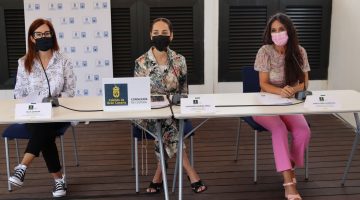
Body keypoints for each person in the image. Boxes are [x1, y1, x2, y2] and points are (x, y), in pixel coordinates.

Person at [134, 18, 207, 194]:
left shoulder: (179, 60)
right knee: (169, 126)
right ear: (151, 35)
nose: (160, 36)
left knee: (168, 125)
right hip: (148, 115)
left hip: (174, 113)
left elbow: (184, 92)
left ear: (171, 36)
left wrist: (178, 101)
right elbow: (138, 96)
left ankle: (158, 174)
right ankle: (190, 170)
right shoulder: (141, 62)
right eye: (156, 33)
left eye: (164, 33)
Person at [9, 18, 75, 198]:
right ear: (32, 38)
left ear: (52, 35)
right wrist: (34, 101)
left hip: (58, 111)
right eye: (39, 34)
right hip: (32, 113)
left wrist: (55, 100)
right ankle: (58, 180)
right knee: (43, 129)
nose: (43, 37)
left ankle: (22, 167)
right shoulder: (24, 62)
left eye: (47, 33)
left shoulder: (64, 61)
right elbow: (18, 92)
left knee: (44, 127)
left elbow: (70, 91)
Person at [253, 13, 311, 200]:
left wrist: (292, 89)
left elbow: (305, 83)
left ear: (289, 30)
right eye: (274, 30)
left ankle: (289, 166)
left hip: (288, 103)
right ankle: (289, 183)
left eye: (281, 29)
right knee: (279, 129)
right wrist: (281, 91)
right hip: (265, 104)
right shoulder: (264, 51)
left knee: (303, 131)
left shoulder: (299, 51)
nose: (277, 33)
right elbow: (263, 84)